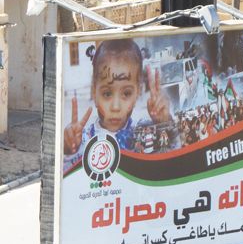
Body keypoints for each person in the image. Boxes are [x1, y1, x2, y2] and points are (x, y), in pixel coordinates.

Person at [63, 39, 171, 172]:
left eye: (126, 93)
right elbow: (68, 177)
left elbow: (169, 162)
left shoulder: (144, 131)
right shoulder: (83, 141)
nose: (115, 107)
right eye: (107, 94)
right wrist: (69, 150)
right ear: (94, 93)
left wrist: (164, 123)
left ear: (137, 93)